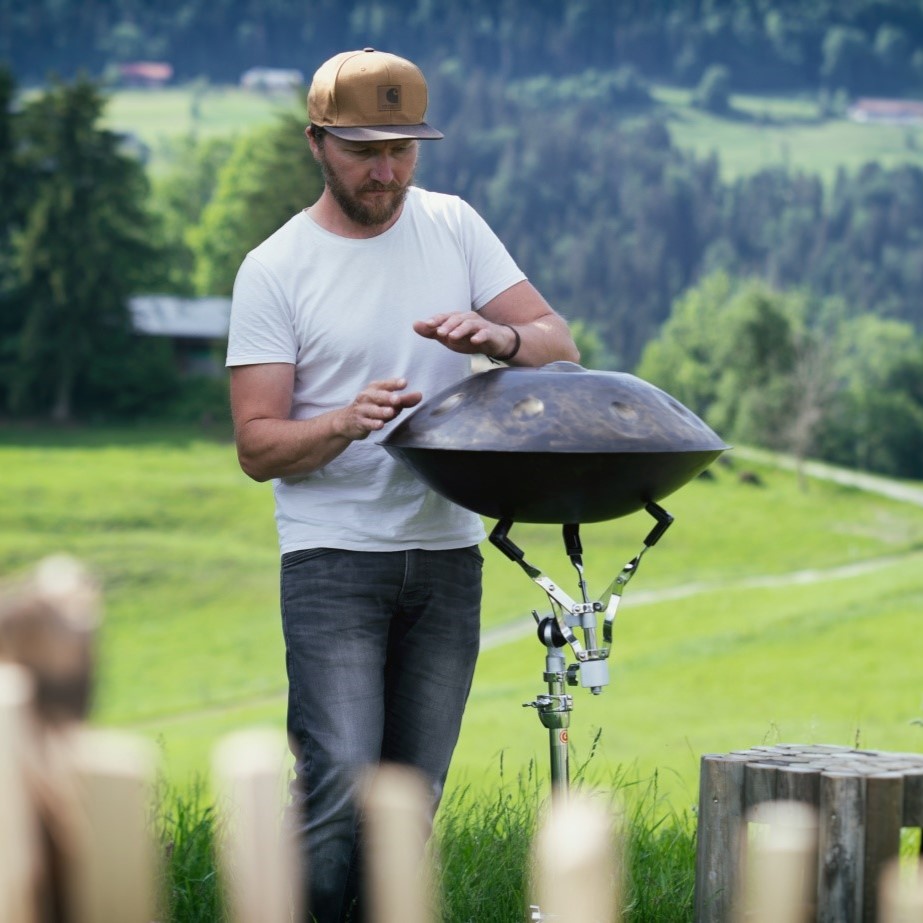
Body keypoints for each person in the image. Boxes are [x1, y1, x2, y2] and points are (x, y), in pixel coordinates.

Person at [226, 47, 579, 923]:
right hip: (333, 558)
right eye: (364, 151)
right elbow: (258, 444)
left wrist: (495, 341)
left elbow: (556, 342)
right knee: (340, 786)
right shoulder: (274, 269)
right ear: (316, 143)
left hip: (448, 555)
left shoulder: (454, 226)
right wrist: (343, 421)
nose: (386, 172)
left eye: (404, 150)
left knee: (406, 805)